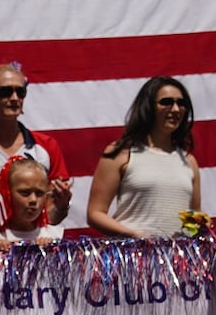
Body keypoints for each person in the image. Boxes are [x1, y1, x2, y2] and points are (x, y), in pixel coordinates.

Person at [86, 76, 203, 238]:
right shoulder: (121, 153)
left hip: (178, 259)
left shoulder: (189, 161)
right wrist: (133, 234)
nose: (176, 109)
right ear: (148, 107)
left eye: (181, 103)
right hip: (133, 256)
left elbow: (195, 216)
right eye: (166, 102)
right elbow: (95, 213)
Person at [0, 63, 73, 229]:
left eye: (20, 92)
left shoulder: (46, 146)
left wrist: (62, 205)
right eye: (5, 91)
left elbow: (51, 216)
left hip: (32, 247)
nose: (14, 98)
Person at [0, 157, 65, 249]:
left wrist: (50, 253)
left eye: (39, 193)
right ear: (7, 193)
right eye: (25, 193)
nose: (33, 200)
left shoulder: (54, 236)